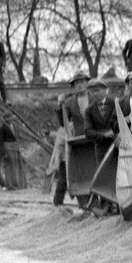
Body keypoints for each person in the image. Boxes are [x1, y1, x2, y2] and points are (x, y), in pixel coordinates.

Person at [52, 71, 91, 206]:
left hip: (95, 139)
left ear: (87, 83)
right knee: (80, 172)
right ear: (73, 86)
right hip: (79, 141)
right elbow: (63, 122)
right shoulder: (69, 103)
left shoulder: (95, 99)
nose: (80, 85)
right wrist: (59, 106)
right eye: (77, 83)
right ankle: (83, 201)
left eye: (82, 82)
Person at [83, 78, 116, 160]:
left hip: (117, 145)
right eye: (92, 91)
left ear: (106, 90)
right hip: (101, 149)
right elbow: (88, 132)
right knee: (103, 172)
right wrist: (103, 134)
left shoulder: (116, 104)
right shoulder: (89, 111)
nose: (95, 94)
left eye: (97, 90)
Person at [0, 113, 28, 190]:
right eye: (10, 119)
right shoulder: (1, 128)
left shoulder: (13, 127)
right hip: (8, 149)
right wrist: (3, 153)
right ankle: (12, 185)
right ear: (6, 119)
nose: (12, 120)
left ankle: (20, 184)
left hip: (15, 148)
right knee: (10, 167)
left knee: (18, 166)